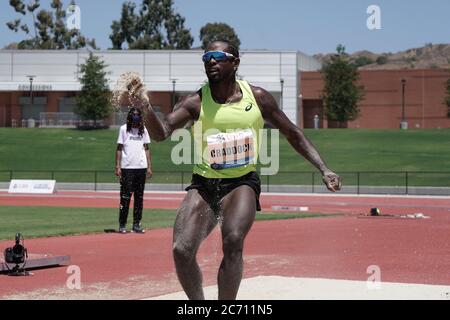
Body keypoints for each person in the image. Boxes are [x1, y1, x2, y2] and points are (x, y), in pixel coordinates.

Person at [130, 40, 342, 299]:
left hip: (242, 182)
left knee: (232, 240)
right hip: (205, 183)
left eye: (218, 56)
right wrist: (145, 108)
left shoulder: (259, 98)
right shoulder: (195, 102)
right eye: (206, 57)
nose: (211, 61)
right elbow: (162, 132)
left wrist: (324, 168)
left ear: (235, 62)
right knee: (181, 250)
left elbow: (293, 133)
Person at [115, 107, 153, 234]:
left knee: (139, 197)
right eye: (134, 114)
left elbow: (147, 149)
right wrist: (118, 166)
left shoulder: (144, 130)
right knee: (125, 197)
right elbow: (119, 148)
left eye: (138, 114)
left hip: (141, 167)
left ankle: (136, 224)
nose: (136, 116)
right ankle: (122, 224)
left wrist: (149, 167)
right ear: (130, 116)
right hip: (127, 168)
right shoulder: (123, 129)